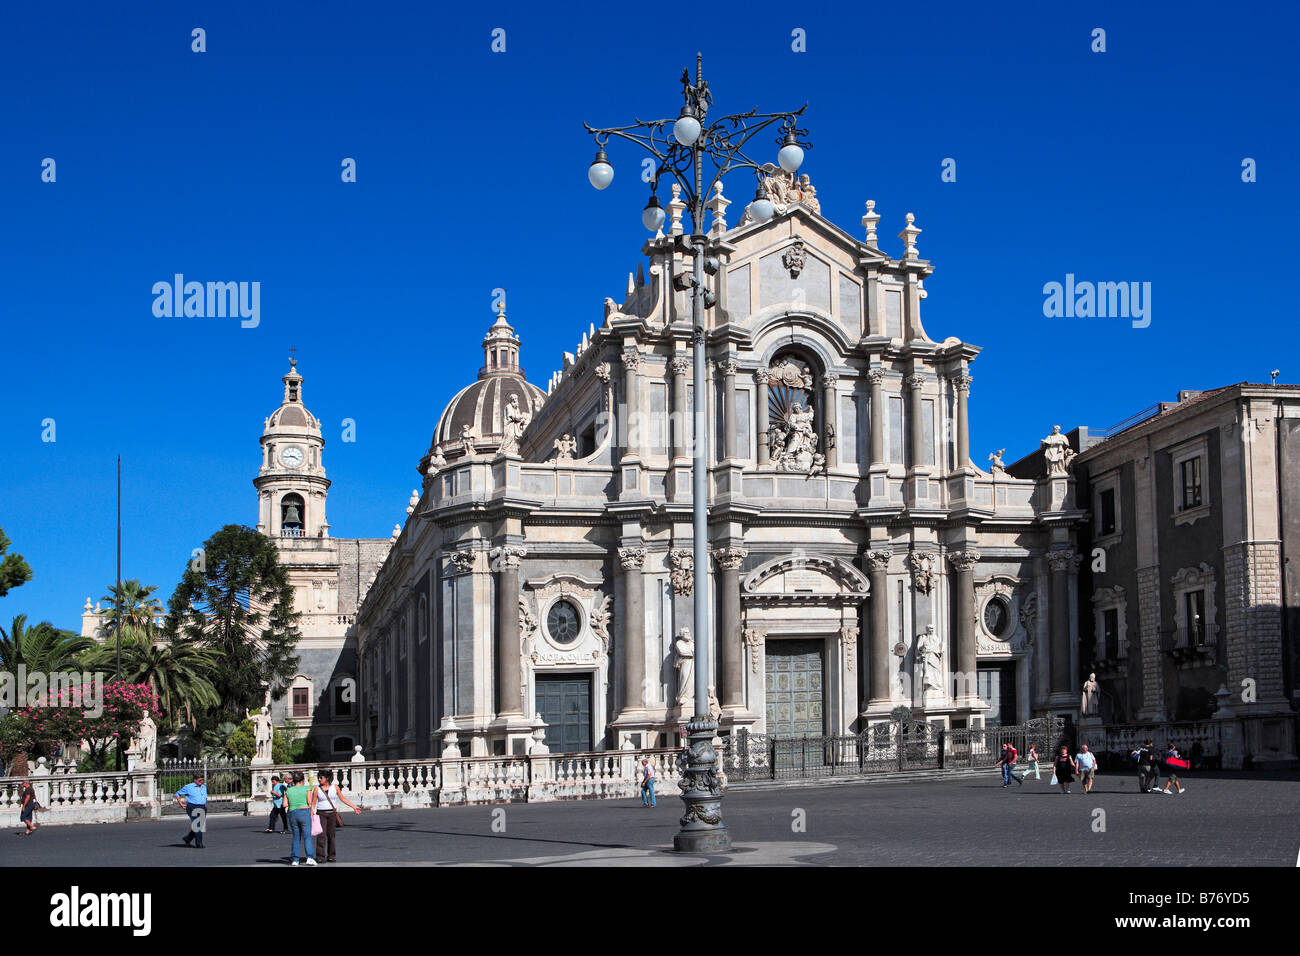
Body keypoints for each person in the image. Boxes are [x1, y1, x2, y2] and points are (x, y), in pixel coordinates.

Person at [313, 769, 361, 863]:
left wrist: (354, 807)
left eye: (321, 777)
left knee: (331, 835)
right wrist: (312, 814)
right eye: (318, 777)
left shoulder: (335, 787)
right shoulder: (316, 789)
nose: (319, 779)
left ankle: (331, 855)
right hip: (321, 813)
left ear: (327, 778)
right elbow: (313, 803)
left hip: (332, 813)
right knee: (321, 836)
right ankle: (320, 856)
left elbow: (342, 798)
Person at [285, 771, 315, 866]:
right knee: (307, 836)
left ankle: (295, 859)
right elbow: (310, 801)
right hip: (304, 812)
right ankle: (309, 857)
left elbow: (284, 804)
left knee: (296, 837)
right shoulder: (307, 788)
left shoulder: (288, 790)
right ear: (303, 780)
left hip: (293, 812)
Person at [175, 773, 208, 848]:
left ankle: (187, 838)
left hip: (202, 807)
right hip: (192, 807)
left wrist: (205, 805)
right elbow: (177, 794)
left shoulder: (204, 787)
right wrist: (181, 804)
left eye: (202, 780)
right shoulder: (188, 787)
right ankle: (199, 843)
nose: (201, 782)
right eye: (199, 780)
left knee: (200, 825)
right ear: (195, 780)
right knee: (198, 825)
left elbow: (205, 797)